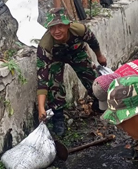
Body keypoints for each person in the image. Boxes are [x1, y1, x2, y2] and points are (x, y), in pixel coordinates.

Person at [36, 8, 107, 136]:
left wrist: (99, 56)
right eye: (52, 27)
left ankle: (98, 101)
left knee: (90, 74)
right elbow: (42, 78)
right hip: (56, 58)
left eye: (60, 26)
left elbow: (93, 41)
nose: (56, 31)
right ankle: (58, 117)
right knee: (54, 82)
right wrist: (41, 106)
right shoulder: (45, 46)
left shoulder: (79, 30)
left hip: (76, 52)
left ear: (68, 25)